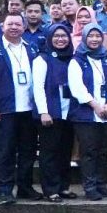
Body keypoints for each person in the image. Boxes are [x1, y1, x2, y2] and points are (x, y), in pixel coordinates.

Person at [0, 13, 39, 204]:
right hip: (5, 110)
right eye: (10, 24)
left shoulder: (31, 48)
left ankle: (25, 187)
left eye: (18, 24)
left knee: (28, 150)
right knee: (5, 151)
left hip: (28, 110)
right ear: (2, 26)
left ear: (23, 27)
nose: (14, 27)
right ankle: (4, 189)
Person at [67, 24, 107, 201]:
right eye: (91, 36)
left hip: (106, 112)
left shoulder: (106, 58)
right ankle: (89, 186)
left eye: (97, 36)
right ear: (85, 38)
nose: (94, 39)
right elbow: (77, 87)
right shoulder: (77, 60)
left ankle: (100, 183)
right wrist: (95, 105)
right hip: (86, 113)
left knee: (102, 151)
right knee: (89, 151)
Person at [32, 24, 76, 202]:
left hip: (69, 112)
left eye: (64, 36)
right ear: (50, 38)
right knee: (49, 152)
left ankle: (63, 187)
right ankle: (51, 189)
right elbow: (38, 87)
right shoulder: (42, 59)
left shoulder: (72, 58)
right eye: (56, 36)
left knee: (65, 152)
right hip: (50, 112)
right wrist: (43, 111)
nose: (60, 39)